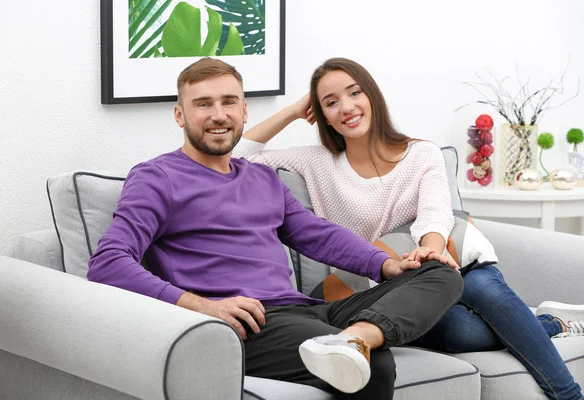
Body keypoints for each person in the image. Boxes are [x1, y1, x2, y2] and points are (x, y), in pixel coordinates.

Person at [87, 57, 464, 399]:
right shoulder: (157, 178)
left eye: (229, 102)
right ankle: (355, 344)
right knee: (373, 366)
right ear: (179, 115)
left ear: (245, 110)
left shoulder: (261, 178)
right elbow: (108, 263)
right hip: (244, 325)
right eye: (203, 104)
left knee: (439, 271)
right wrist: (201, 307)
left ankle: (357, 336)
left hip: (305, 311)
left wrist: (387, 266)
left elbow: (316, 234)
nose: (218, 114)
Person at [233, 57, 584, 400]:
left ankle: (568, 394)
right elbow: (235, 158)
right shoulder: (315, 162)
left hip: (442, 265)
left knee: (482, 288)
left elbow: (435, 213)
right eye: (331, 102)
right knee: (463, 332)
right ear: (321, 115)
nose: (347, 107)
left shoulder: (421, 153)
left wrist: (432, 249)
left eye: (355, 93)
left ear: (372, 96)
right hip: (388, 289)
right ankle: (549, 325)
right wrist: (294, 110)